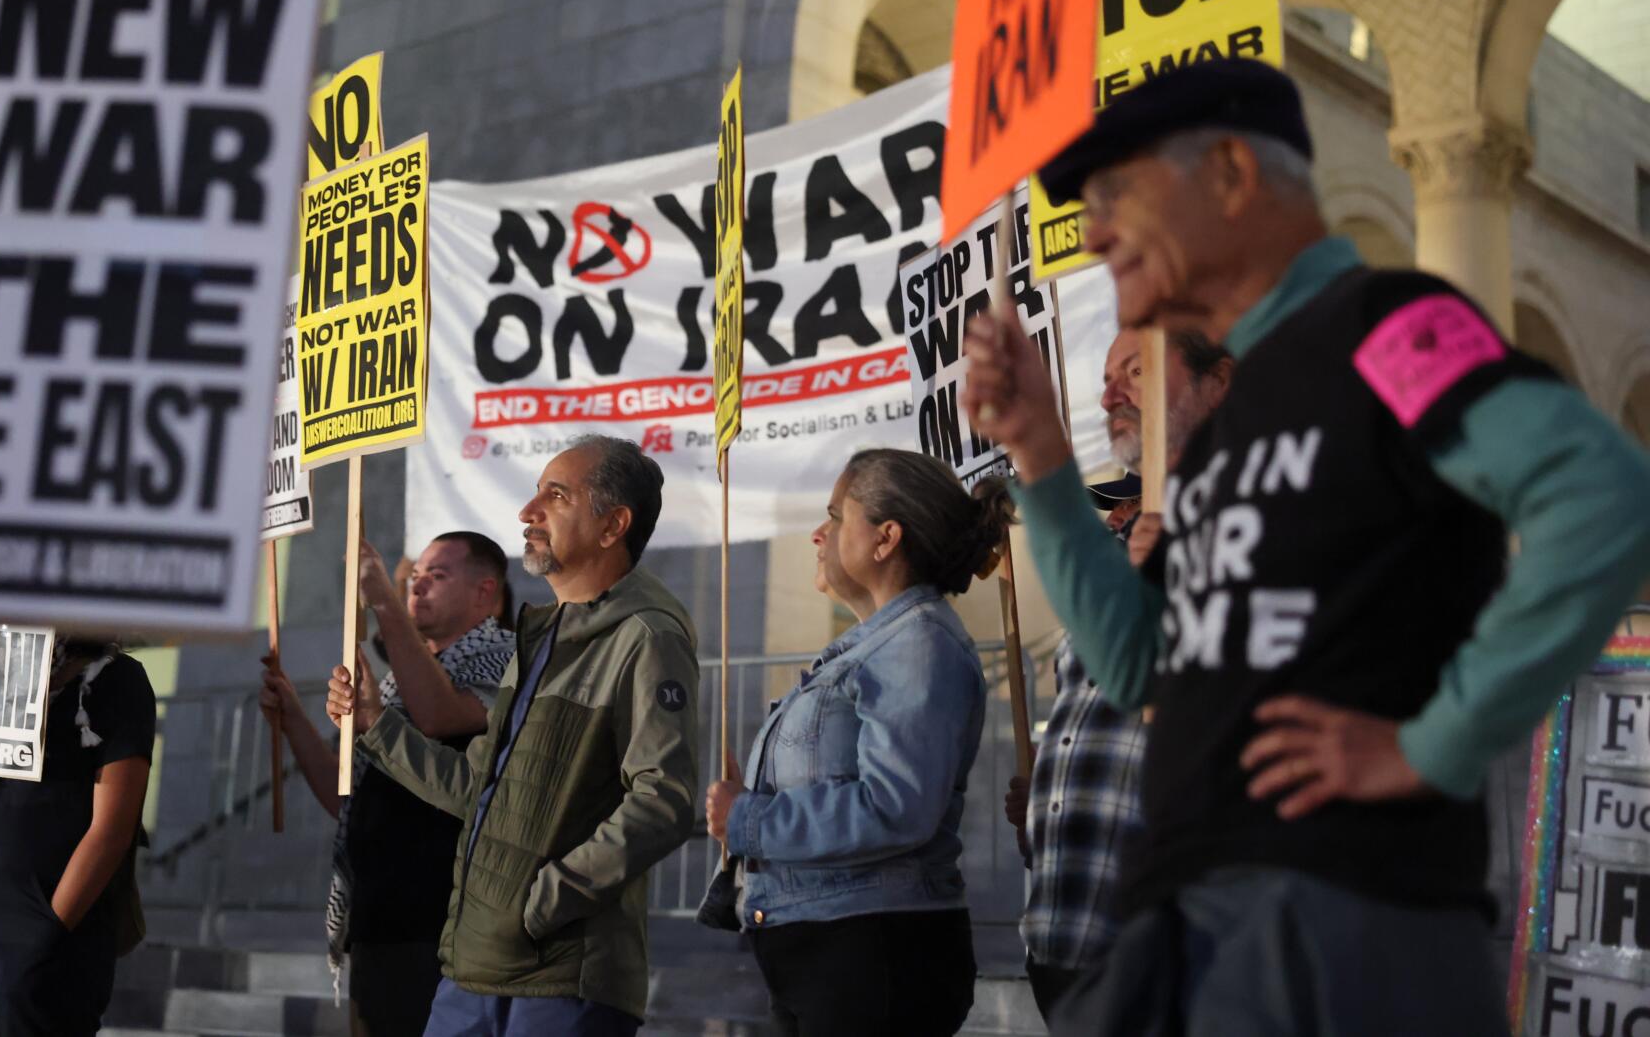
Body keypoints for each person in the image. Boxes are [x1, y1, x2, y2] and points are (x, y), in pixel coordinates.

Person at [961, 57, 1650, 1034]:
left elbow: (1601, 498)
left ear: (1233, 174)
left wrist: (1432, 742)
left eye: (1116, 191)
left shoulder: (1385, 327)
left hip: (1330, 925)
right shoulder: (1228, 424)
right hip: (1182, 930)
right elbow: (1135, 661)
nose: (1095, 230)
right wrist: (1036, 451)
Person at [326, 434, 699, 1037]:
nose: (528, 513)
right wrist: (374, 724)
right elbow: (477, 785)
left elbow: (664, 799)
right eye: (534, 495)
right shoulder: (540, 640)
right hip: (471, 972)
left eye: (556, 495)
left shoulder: (647, 637)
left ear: (613, 525)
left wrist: (543, 901)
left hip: (562, 981)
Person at [697, 450, 1002, 1037]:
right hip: (829, 949)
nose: (819, 532)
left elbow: (895, 806)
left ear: (886, 538)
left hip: (873, 950)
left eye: (836, 515)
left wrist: (750, 818)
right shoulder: (875, 645)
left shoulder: (919, 645)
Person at [1004, 328, 1231, 1024]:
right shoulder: (1117, 538)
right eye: (1107, 377)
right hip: (1068, 933)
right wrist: (1046, 789)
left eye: (1135, 369)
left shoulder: (1263, 521)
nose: (1108, 395)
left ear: (1219, 382)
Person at [260, 532, 517, 1036]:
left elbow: (439, 716)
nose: (417, 586)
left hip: (447, 927)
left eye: (436, 576)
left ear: (485, 593)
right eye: (414, 577)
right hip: (379, 920)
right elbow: (347, 799)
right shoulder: (403, 678)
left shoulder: (508, 657)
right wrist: (292, 715)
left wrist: (382, 598)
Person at [0, 637, 156, 1037]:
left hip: (50, 930)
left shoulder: (119, 680)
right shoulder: (2, 680)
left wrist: (47, 932)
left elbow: (113, 829)